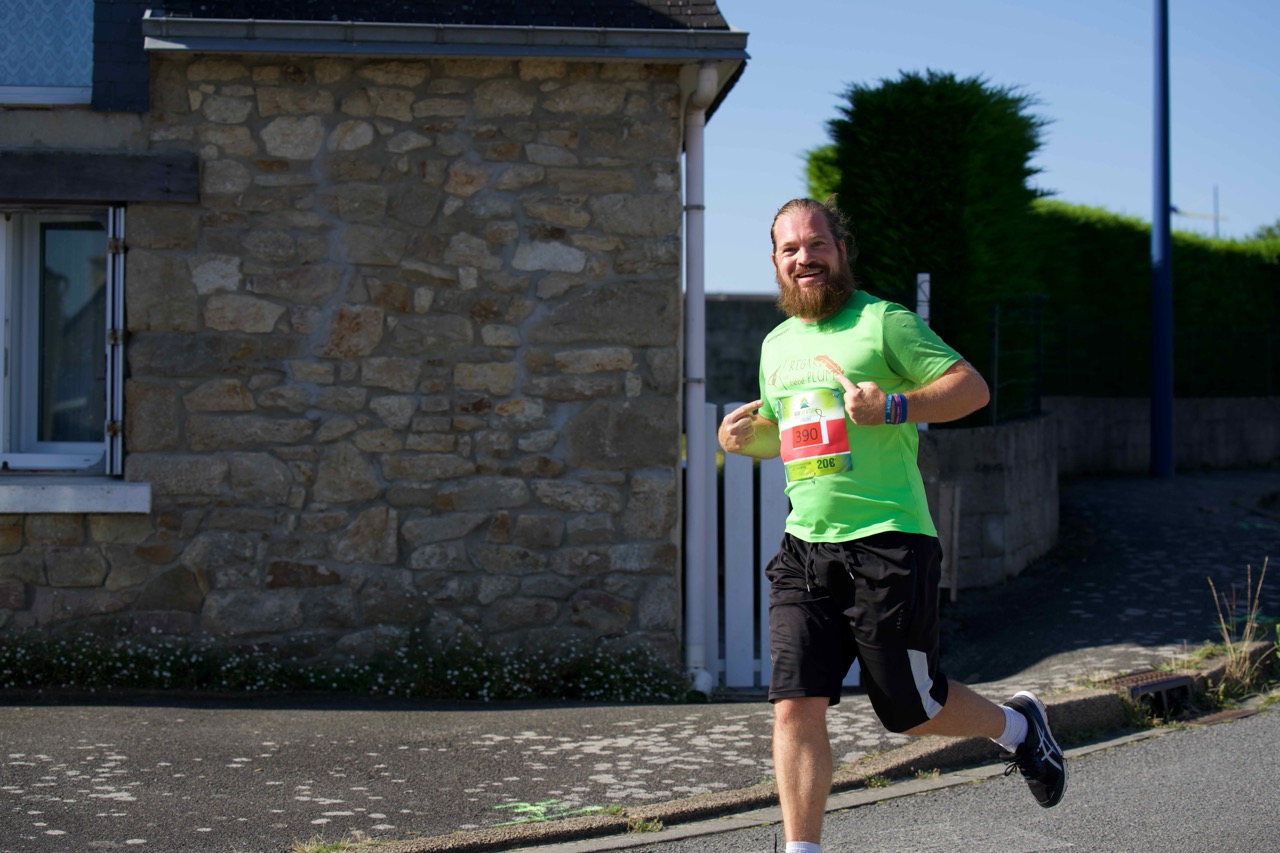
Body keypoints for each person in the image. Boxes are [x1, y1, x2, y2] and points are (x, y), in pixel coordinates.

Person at [718, 197, 1067, 853]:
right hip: (805, 548)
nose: (804, 258)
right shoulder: (777, 344)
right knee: (794, 704)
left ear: (840, 249)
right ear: (775, 262)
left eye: (816, 244)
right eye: (790, 249)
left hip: (888, 542)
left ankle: (1019, 728)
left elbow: (972, 388)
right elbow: (786, 435)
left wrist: (895, 405)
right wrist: (742, 439)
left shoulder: (884, 322)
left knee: (912, 709)